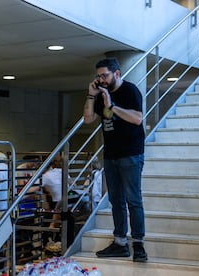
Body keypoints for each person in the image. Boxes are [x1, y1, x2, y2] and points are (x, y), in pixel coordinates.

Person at [83, 57, 147, 262]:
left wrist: (113, 105)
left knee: (133, 200)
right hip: (110, 155)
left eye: (105, 75)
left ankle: (138, 244)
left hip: (131, 153)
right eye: (98, 76)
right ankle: (120, 242)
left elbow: (137, 119)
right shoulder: (100, 94)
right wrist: (92, 96)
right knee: (115, 200)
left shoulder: (130, 91)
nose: (101, 79)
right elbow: (88, 119)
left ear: (116, 74)